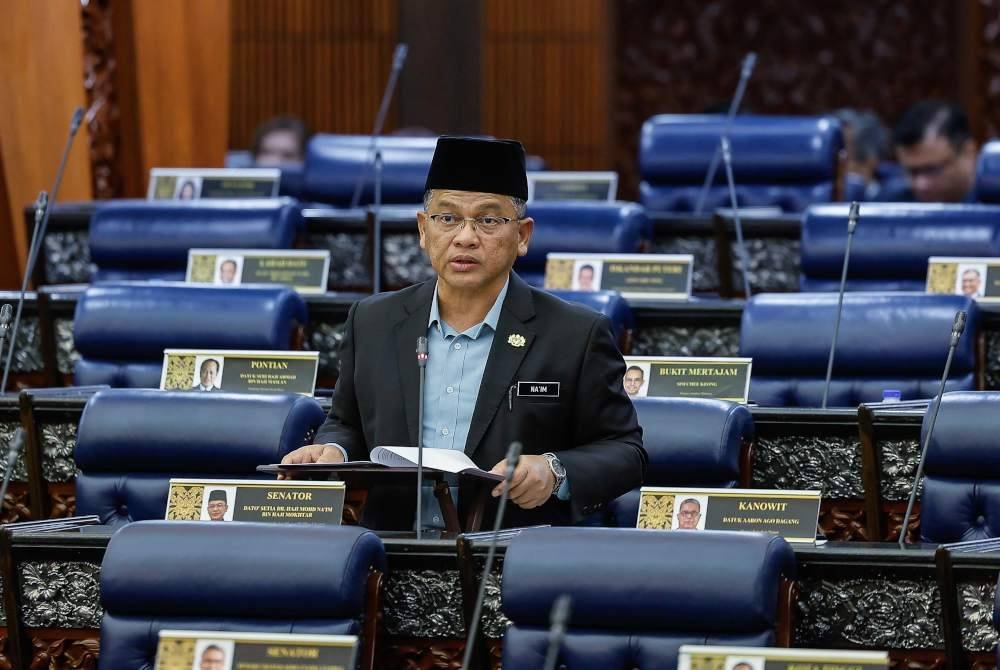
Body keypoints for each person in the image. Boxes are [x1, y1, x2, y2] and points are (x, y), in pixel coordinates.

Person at [280, 136, 646, 529]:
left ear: (522, 236)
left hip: (512, 558)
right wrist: (333, 450)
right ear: (423, 229)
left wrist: (555, 471)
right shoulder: (373, 321)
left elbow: (627, 452)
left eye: (489, 220)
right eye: (447, 218)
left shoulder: (575, 334)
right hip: (391, 552)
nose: (466, 237)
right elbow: (348, 422)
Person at [892, 100, 977, 203]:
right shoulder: (892, 204)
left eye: (932, 169)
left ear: (968, 153)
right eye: (912, 172)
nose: (921, 185)